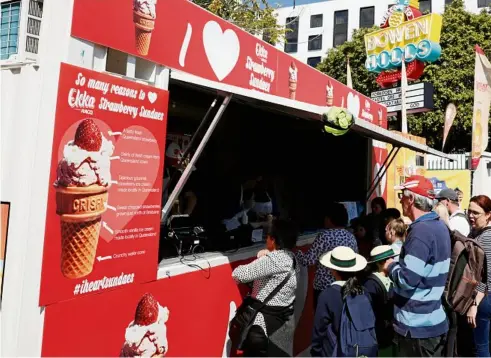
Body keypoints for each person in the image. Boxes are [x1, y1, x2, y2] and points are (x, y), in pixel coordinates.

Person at [383, 175, 451, 357]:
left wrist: (390, 267)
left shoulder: (421, 231)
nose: (401, 201)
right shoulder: (439, 225)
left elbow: (407, 279)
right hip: (433, 320)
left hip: (416, 327)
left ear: (411, 198)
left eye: (401, 196)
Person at [232, 219, 300, 356]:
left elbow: (238, 274)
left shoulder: (273, 259)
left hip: (262, 326)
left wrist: (261, 257)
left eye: (267, 237)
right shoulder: (292, 258)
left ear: (273, 240)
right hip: (281, 324)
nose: (265, 239)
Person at [311, 246, 373, 357]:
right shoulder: (364, 292)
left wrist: (316, 352)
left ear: (333, 270)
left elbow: (319, 330)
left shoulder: (327, 295)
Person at [296, 202, 358, 309]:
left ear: (330, 219)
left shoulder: (325, 236)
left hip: (325, 288)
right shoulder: (351, 237)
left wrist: (297, 252)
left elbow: (308, 260)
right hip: (346, 286)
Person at [467, 195, 491, 357]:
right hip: (482, 297)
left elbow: (487, 276)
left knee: (481, 347)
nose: (471, 216)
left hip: (484, 299)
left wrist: (475, 304)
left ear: (488, 214)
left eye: (476, 213)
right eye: (469, 211)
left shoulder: (487, 237)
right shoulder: (476, 232)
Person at [364, 245, 398, 356]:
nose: (392, 261)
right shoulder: (370, 285)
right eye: (389, 259)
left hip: (391, 334)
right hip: (379, 336)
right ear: (379, 263)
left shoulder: (393, 278)